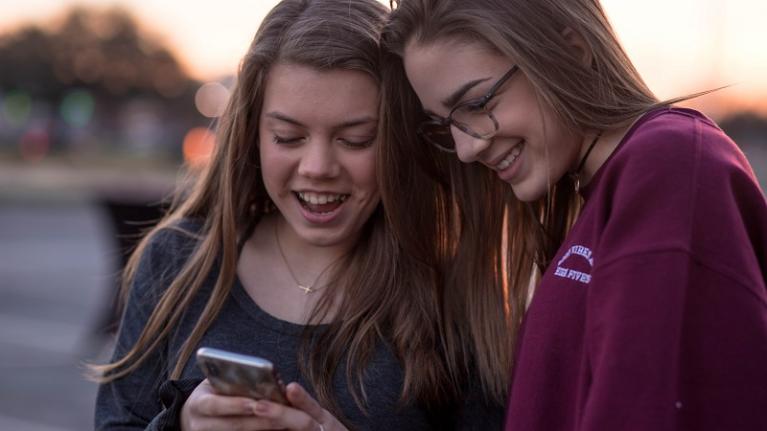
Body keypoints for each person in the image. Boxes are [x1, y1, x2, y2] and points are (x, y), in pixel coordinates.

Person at [91, 0, 506, 430]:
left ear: (401, 141)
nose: (318, 167)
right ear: (253, 134)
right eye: (288, 137)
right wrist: (179, 424)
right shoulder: (178, 263)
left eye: (356, 139)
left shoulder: (454, 291)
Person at [379, 1, 767, 430]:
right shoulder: (605, 193)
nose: (467, 149)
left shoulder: (668, 166)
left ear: (572, 50)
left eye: (476, 103)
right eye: (444, 124)